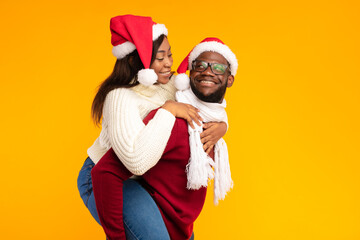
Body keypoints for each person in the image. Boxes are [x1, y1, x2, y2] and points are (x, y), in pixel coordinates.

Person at [77, 15, 227, 240]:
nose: (168, 63)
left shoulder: (168, 86)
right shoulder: (120, 98)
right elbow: (136, 162)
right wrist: (168, 111)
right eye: (159, 58)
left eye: (170, 54)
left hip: (145, 181)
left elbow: (207, 103)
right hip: (105, 178)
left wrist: (223, 127)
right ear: (135, 61)